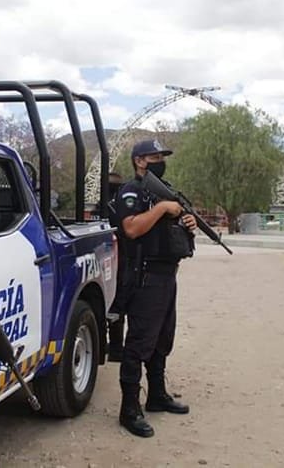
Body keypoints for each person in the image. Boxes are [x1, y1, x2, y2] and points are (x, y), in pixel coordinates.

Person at [115, 139, 197, 438]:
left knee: (162, 338)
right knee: (139, 342)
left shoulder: (164, 190)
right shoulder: (132, 191)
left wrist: (187, 222)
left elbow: (169, 231)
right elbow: (131, 228)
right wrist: (163, 208)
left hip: (166, 274)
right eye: (154, 157)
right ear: (139, 161)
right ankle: (129, 409)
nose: (160, 161)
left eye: (162, 157)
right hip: (144, 276)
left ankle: (157, 395)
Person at [106, 171, 126, 362]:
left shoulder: (100, 207)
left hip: (103, 257)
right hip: (120, 258)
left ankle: (113, 347)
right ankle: (116, 348)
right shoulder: (120, 206)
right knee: (117, 304)